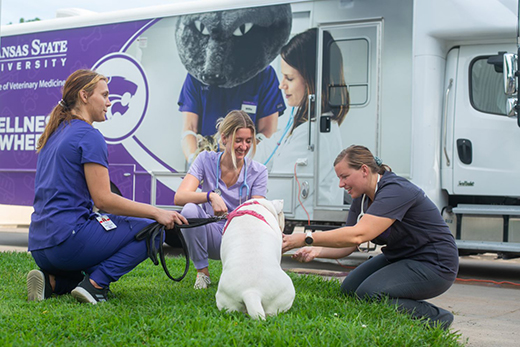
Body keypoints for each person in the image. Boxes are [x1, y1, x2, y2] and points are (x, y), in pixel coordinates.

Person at [27, 69, 187, 304]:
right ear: (84, 95)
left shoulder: (53, 134)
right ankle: (95, 285)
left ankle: (52, 282)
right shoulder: (89, 136)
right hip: (67, 243)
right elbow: (104, 200)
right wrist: (157, 212)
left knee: (102, 238)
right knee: (153, 230)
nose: (110, 102)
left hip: (41, 248)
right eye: (104, 95)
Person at [282, 145, 459, 329]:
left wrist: (306, 237)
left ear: (364, 170)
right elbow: (348, 244)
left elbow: (359, 235)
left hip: (434, 263)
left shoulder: (396, 190)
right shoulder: (362, 198)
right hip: (402, 257)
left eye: (344, 176)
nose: (341, 184)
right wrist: (315, 251)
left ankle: (437, 318)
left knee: (369, 294)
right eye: (339, 178)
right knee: (350, 289)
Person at [255, 28, 350, 217]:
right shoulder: (299, 121)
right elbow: (269, 150)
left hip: (300, 229)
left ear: (311, 80)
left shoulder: (314, 133)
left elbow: (279, 194)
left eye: (289, 78)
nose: (282, 85)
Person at [174, 110, 268, 289]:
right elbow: (180, 196)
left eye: (248, 141)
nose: (244, 146)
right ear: (224, 138)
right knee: (189, 210)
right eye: (238, 140)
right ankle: (203, 273)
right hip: (211, 232)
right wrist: (210, 196)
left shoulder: (259, 171)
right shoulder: (204, 160)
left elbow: (257, 213)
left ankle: (238, 272)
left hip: (239, 236)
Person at [178, 66, 285, 164]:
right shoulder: (198, 72)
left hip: (247, 164)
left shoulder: (264, 74)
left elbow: (267, 133)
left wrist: (240, 158)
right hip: (208, 160)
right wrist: (194, 161)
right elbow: (189, 128)